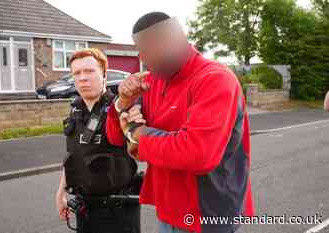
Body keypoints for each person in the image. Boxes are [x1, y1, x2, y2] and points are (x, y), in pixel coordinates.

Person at [106, 12, 255, 233]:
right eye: (141, 52)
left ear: (174, 41)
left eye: (147, 51)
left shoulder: (215, 79)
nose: (143, 60)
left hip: (210, 214)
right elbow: (116, 137)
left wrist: (138, 135)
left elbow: (198, 153)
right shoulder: (153, 80)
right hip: (169, 210)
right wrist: (123, 102)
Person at [55, 48, 143, 233]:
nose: (82, 78)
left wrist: (135, 126)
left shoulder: (120, 109)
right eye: (77, 73)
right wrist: (60, 192)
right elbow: (73, 155)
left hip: (119, 211)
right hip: (85, 209)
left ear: (103, 74)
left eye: (89, 71)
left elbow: (140, 146)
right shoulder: (76, 111)